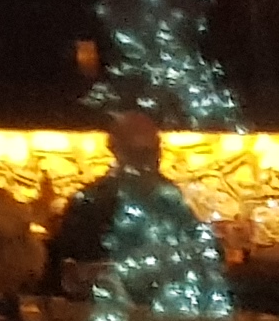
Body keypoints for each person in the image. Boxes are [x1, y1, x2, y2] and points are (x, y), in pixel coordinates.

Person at [42, 106, 180, 293]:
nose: (148, 162)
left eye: (152, 152)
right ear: (115, 150)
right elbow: (68, 276)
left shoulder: (171, 199)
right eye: (137, 153)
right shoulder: (87, 204)